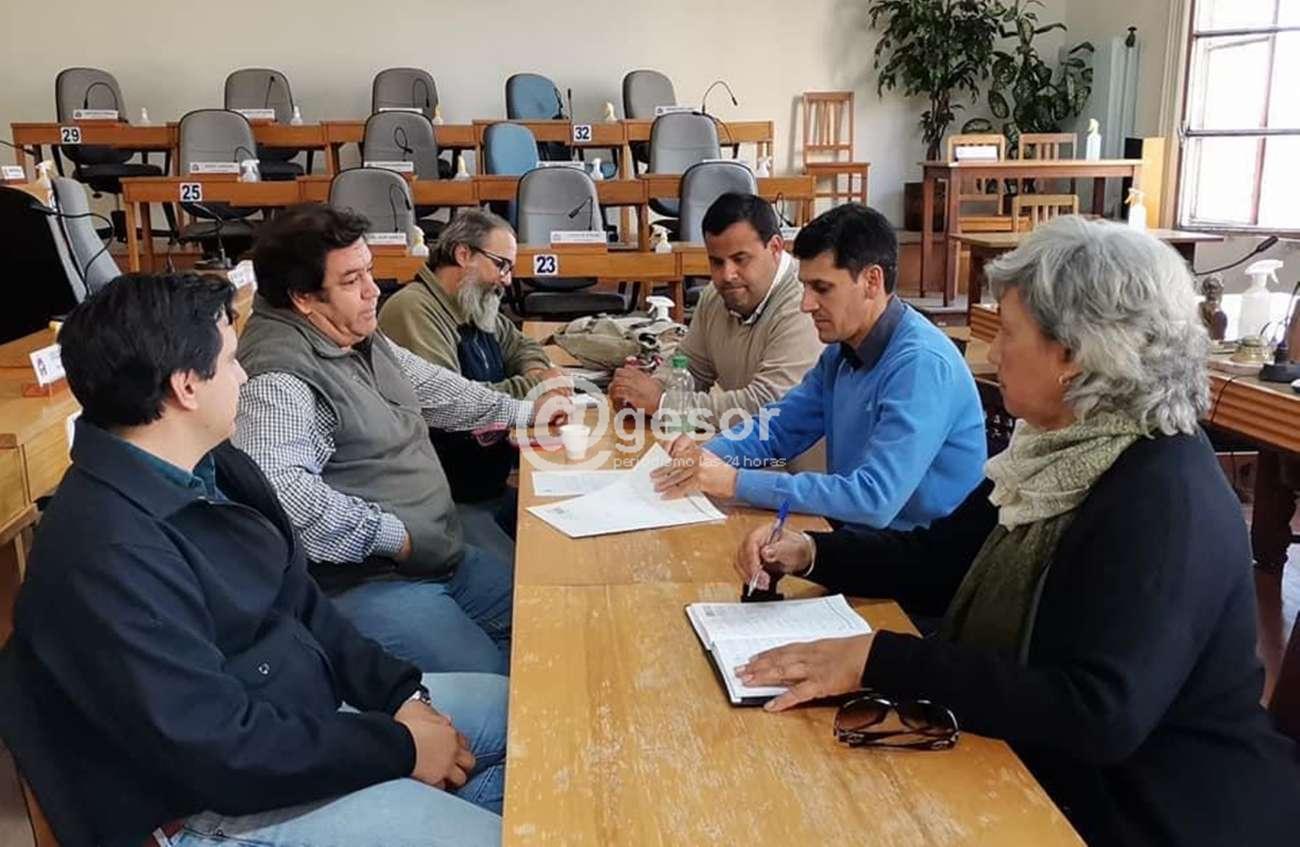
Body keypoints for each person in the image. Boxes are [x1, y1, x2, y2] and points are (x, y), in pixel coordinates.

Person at [731, 218, 1300, 846]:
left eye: (1006, 331)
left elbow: (1098, 712)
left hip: (1152, 812)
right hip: (1054, 775)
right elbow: (940, 558)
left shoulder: (1163, 493)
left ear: (1075, 354)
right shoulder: (1051, 452)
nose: (992, 352)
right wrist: (811, 552)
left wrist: (879, 659)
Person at [0, 274, 507, 847]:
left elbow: (305, 604)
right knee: (502, 831)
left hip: (298, 721)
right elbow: (218, 751)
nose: (245, 376)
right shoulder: (106, 552)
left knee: (529, 718)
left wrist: (401, 698)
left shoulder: (218, 465)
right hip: (205, 807)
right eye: (231, 361)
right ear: (186, 387)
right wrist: (402, 748)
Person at [234, 204, 568, 676]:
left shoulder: (353, 334)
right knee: (498, 686)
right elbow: (283, 495)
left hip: (437, 555)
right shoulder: (280, 378)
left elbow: (437, 389)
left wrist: (527, 412)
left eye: (369, 271)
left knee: (555, 619)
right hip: (371, 582)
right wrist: (396, 537)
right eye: (352, 280)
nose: (373, 290)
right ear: (303, 297)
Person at [653, 203, 985, 530]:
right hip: (863, 536)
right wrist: (704, 457)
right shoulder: (841, 351)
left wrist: (735, 482)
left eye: (822, 288)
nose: (806, 304)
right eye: (805, 287)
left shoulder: (921, 366)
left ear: (872, 281)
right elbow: (779, 428)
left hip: (916, 554)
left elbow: (874, 499)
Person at [378, 209, 568, 550]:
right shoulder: (413, 309)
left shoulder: (473, 301)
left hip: (488, 489)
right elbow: (455, 402)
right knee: (527, 573)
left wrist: (537, 371)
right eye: (501, 265)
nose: (507, 280)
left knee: (562, 540)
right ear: (463, 254)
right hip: (447, 502)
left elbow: (522, 345)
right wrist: (538, 387)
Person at [609, 193, 823, 469]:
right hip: (744, 464)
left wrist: (663, 403)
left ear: (775, 247)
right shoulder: (716, 296)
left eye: (740, 259)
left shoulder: (803, 303)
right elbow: (689, 367)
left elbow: (768, 407)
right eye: (717, 262)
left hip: (796, 478)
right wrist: (642, 392)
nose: (726, 275)